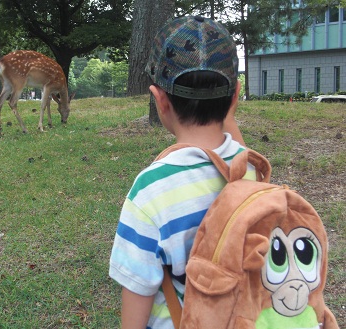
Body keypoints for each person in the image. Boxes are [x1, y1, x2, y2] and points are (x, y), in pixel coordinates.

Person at [109, 15, 256, 328]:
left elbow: (137, 294)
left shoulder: (151, 190)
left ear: (160, 100)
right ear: (235, 96)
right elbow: (238, 146)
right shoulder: (251, 168)